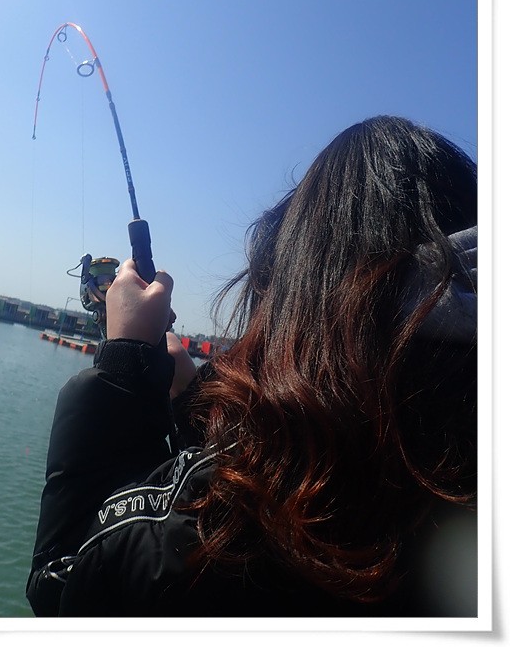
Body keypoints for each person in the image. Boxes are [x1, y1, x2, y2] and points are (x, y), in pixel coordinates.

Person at [26, 116, 477, 617]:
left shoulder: (233, 526)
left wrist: (124, 364)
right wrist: (194, 400)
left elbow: (65, 583)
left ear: (294, 282)